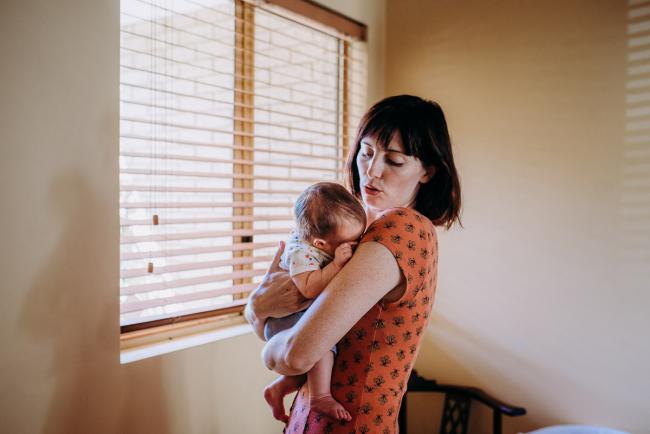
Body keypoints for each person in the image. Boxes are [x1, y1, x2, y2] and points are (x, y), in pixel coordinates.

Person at [245, 95, 462, 434]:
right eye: (367, 152)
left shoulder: (401, 230)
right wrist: (260, 309)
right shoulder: (359, 233)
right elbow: (295, 329)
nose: (372, 172)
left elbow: (296, 353)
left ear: (428, 172)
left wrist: (261, 321)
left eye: (394, 161)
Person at [263, 182, 366, 423]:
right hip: (285, 322)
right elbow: (309, 288)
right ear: (320, 244)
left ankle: (277, 389)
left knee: (318, 364)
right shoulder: (303, 253)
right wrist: (336, 265)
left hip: (293, 317)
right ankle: (320, 396)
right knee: (321, 347)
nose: (354, 245)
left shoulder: (321, 238)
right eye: (348, 242)